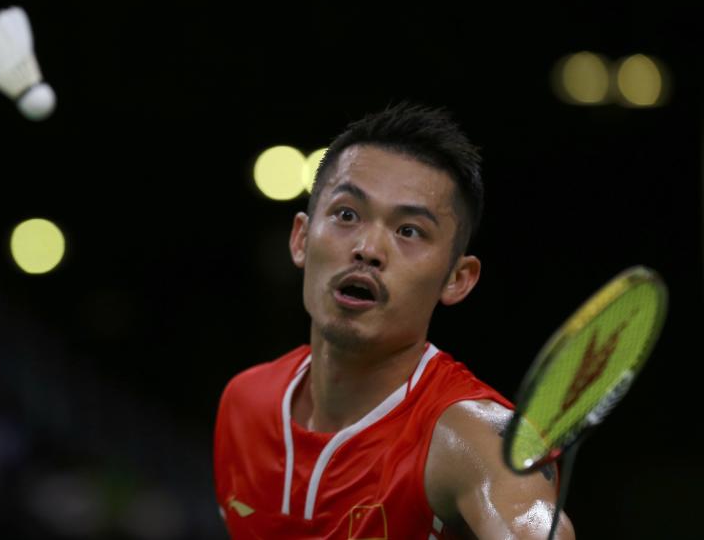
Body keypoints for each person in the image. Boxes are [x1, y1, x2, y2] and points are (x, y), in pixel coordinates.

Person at [213, 102, 575, 539]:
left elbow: (528, 521)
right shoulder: (244, 404)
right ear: (301, 239)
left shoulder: (475, 439)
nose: (368, 248)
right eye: (347, 215)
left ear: (458, 279)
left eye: (409, 231)